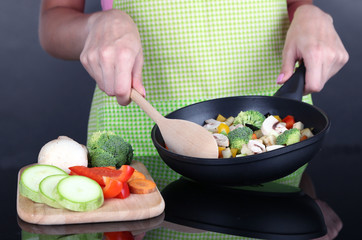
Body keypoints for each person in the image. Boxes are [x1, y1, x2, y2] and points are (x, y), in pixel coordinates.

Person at [39, 0, 348, 239]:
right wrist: (96, 25)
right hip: (139, 151)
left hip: (275, 145)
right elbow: (55, 20)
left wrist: (308, 14)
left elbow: (297, 3)